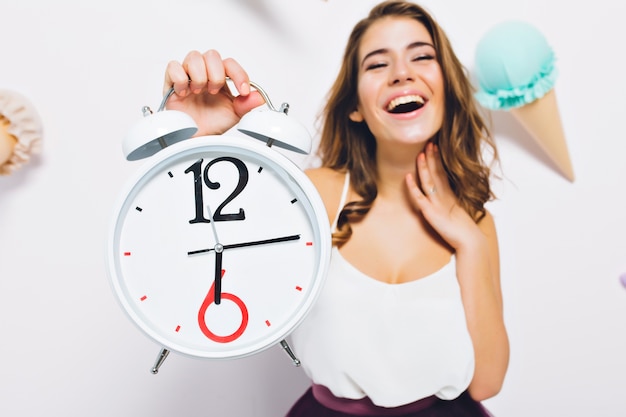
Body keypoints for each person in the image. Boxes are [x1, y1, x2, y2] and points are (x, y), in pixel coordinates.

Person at [163, 1, 509, 416]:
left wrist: (469, 242)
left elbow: (487, 381)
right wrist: (199, 147)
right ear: (355, 106)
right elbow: (207, 272)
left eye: (422, 56)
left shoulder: (475, 223)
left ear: (448, 88)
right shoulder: (311, 196)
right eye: (378, 64)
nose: (402, 71)